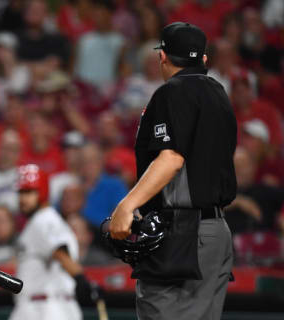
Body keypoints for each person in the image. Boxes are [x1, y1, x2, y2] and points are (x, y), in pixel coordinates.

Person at [109, 22, 236, 319]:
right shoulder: (220, 94)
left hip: (183, 235)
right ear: (203, 59)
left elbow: (171, 158)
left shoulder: (172, 92)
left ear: (162, 57)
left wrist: (127, 205)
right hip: (216, 233)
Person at [10, 164, 102, 320]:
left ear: (43, 192)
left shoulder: (45, 219)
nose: (22, 199)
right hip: (51, 306)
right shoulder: (44, 220)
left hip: (44, 308)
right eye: (20, 193)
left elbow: (60, 252)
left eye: (29, 192)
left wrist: (81, 279)